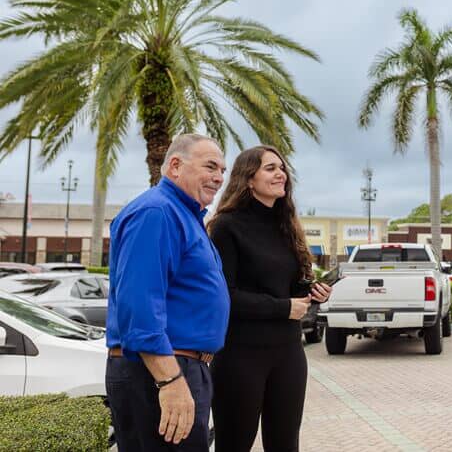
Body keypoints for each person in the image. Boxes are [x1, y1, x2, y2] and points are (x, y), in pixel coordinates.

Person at [105, 134, 229, 452]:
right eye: (210, 167)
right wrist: (170, 380)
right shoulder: (156, 212)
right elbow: (139, 305)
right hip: (160, 371)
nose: (219, 177)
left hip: (179, 368)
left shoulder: (184, 215)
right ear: (175, 166)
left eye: (222, 170)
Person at [207, 145, 332, 452]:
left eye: (282, 168)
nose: (281, 174)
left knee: (285, 445)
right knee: (234, 445)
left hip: (288, 353)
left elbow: (288, 288)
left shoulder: (286, 225)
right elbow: (225, 296)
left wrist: (312, 293)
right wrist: (284, 308)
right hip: (240, 355)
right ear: (248, 178)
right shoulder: (226, 226)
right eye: (270, 168)